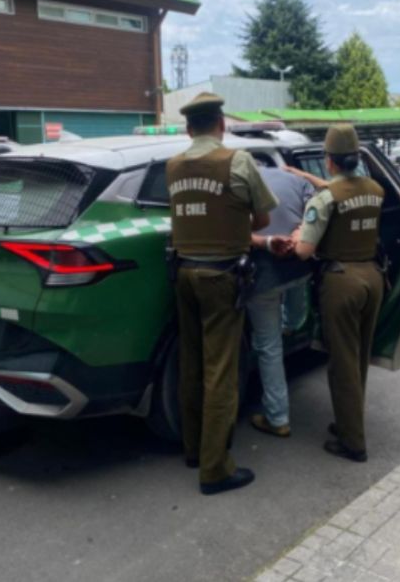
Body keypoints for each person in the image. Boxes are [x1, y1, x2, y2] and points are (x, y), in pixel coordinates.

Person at [166, 91, 277, 495]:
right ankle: (215, 470)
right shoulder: (238, 161)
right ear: (222, 124)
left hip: (182, 272)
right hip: (222, 275)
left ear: (188, 128)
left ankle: (194, 449)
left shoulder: (173, 166)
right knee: (221, 371)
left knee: (191, 363)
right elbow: (262, 218)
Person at [292, 124, 385, 463]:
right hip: (372, 278)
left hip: (341, 282)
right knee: (358, 359)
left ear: (329, 161)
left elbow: (304, 251)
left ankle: (352, 442)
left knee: (341, 362)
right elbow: (342, 192)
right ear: (355, 158)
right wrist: (301, 175)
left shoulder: (325, 200)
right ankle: (350, 421)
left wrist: (297, 233)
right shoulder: (375, 189)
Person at [245, 159, 317, 438]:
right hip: (299, 268)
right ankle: (291, 325)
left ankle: (278, 418)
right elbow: (317, 210)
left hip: (263, 277)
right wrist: (299, 230)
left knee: (268, 348)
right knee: (296, 313)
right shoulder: (297, 180)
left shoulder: (243, 182)